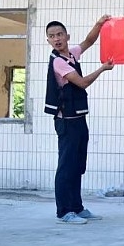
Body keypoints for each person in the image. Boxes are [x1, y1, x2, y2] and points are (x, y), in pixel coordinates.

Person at [44, 16, 114, 224]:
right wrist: (102, 68)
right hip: (66, 122)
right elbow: (82, 83)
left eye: (59, 34)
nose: (56, 39)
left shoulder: (72, 54)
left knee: (77, 165)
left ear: (67, 36)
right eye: (51, 36)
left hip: (79, 119)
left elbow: (89, 41)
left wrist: (99, 25)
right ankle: (64, 211)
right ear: (48, 40)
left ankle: (77, 207)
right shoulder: (58, 62)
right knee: (66, 167)